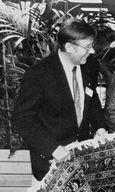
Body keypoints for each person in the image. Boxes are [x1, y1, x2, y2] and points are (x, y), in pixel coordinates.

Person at [12, 18, 105, 180]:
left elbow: (92, 99)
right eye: (88, 47)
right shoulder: (39, 74)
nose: (92, 51)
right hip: (48, 159)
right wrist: (53, 148)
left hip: (80, 154)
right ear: (69, 47)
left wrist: (99, 127)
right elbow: (22, 120)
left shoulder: (90, 65)